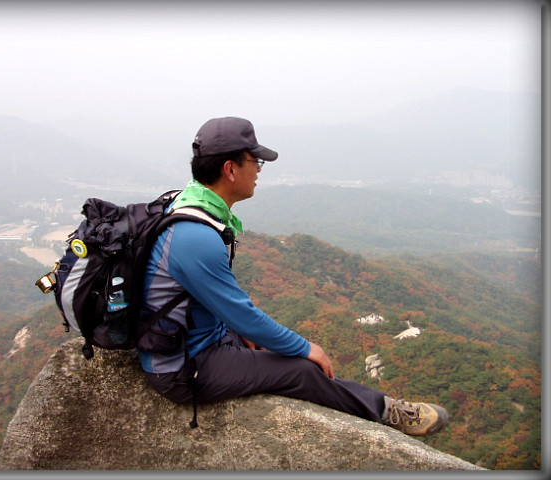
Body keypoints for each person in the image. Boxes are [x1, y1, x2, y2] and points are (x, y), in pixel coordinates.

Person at [136, 116, 449, 436]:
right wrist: (306, 347)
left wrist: (245, 330)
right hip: (184, 366)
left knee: (270, 345)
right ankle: (387, 411)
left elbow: (213, 300)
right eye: (255, 161)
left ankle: (372, 403)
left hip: (193, 338)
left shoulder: (185, 203)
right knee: (302, 368)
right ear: (230, 169)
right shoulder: (194, 237)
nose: (259, 169)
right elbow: (242, 314)